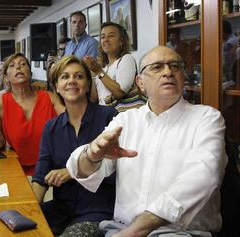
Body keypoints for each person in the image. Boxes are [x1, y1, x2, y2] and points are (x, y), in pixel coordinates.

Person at [66, 46, 227, 236]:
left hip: (180, 232)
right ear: (140, 83)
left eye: (175, 66)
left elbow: (202, 178)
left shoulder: (206, 118)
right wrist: (92, 154)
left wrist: (136, 230)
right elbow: (79, 170)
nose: (168, 72)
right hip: (121, 228)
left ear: (183, 77)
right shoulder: (126, 120)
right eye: (157, 67)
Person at [32, 56, 118, 236]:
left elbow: (114, 166)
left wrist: (71, 172)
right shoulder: (51, 128)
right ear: (56, 86)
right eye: (65, 77)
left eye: (79, 76)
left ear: (87, 85)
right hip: (61, 211)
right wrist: (30, 210)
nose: (72, 81)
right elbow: (40, 176)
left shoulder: (109, 117)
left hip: (98, 212)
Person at [0, 53, 64, 175]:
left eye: (23, 64)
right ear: (6, 77)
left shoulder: (50, 98)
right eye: (12, 65)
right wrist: (0, 144)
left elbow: (72, 122)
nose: (18, 67)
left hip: (52, 170)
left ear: (30, 73)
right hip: (16, 169)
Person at [84, 22, 138, 107]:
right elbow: (94, 98)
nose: (106, 40)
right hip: (104, 115)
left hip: (120, 115)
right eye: (103, 37)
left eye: (111, 36)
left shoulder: (127, 59)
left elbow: (119, 92)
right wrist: (88, 74)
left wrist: (98, 72)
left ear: (121, 41)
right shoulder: (103, 68)